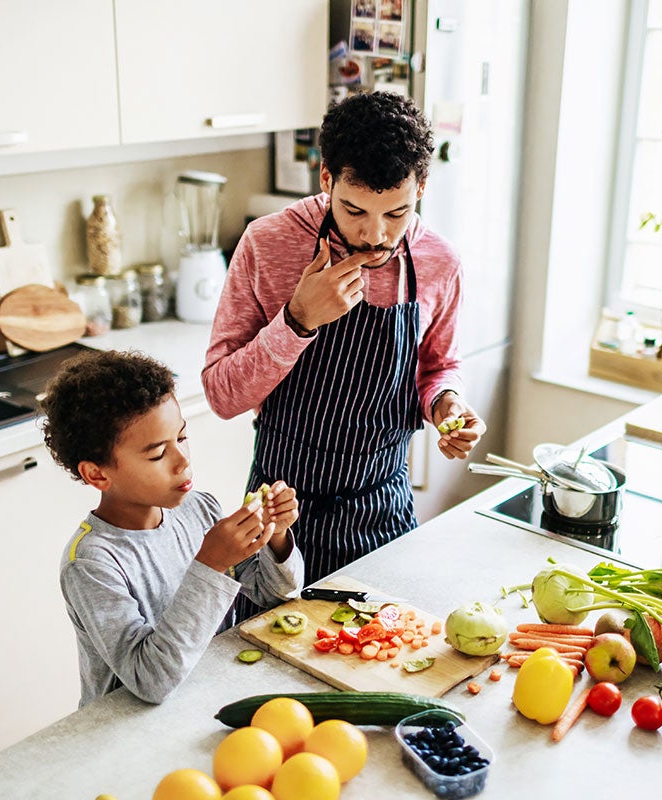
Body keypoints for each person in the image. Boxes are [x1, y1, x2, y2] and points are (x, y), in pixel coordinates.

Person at [202, 91, 485, 586]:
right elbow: (222, 396)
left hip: (384, 508)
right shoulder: (268, 244)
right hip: (280, 515)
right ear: (327, 179)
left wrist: (446, 405)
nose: (375, 235)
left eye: (396, 214)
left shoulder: (440, 261)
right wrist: (297, 321)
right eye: (354, 211)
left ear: (421, 186)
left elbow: (439, 366)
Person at [40, 350, 303, 707]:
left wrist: (276, 537)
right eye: (157, 454)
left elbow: (275, 596)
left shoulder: (199, 509)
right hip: (125, 733)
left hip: (206, 702)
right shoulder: (91, 564)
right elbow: (150, 680)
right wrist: (209, 565)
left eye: (181, 438)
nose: (183, 462)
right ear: (97, 474)